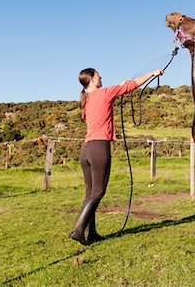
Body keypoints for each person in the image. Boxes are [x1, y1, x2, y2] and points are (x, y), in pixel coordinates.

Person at [69, 68, 164, 245]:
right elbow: (133, 85)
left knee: (90, 193)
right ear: (91, 79)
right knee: (98, 192)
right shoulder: (105, 93)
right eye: (98, 75)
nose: (101, 77)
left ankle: (92, 233)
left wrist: (120, 85)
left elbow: (117, 90)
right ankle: (78, 230)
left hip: (86, 150)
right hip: (99, 148)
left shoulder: (87, 98)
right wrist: (153, 73)